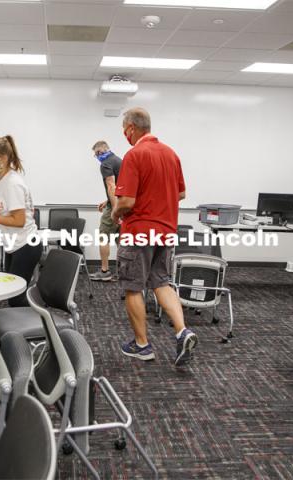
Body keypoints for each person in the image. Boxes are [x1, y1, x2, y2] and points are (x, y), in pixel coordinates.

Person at [112, 108, 197, 366]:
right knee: (162, 283)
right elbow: (181, 194)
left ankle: (142, 345)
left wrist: (116, 212)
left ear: (131, 129)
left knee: (133, 287)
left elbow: (126, 200)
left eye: (124, 131)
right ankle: (183, 331)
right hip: (166, 230)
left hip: (138, 231)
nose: (125, 135)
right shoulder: (171, 154)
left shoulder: (135, 154)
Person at [0, 135, 42, 307]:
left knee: (16, 296)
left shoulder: (12, 183)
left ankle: (41, 324)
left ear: (2, 158)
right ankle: (32, 324)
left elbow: (18, 220)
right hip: (15, 245)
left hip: (26, 245)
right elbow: (6, 208)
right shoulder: (1, 181)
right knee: (14, 293)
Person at [90, 141, 122, 282]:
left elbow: (111, 186)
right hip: (125, 204)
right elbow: (121, 186)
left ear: (100, 152)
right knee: (122, 239)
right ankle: (123, 272)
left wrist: (114, 210)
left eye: (96, 154)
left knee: (103, 237)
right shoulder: (118, 160)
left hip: (116, 206)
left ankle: (105, 271)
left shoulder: (105, 164)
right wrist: (108, 201)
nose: (97, 157)